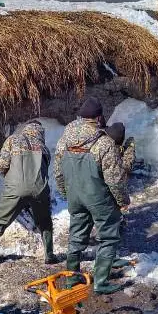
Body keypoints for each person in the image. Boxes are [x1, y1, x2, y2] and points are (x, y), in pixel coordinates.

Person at [55, 97, 130, 294]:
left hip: (75, 196)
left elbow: (58, 171)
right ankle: (101, 282)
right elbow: (114, 179)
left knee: (76, 236)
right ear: (98, 117)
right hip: (98, 199)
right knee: (109, 237)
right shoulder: (104, 143)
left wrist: (66, 193)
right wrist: (122, 201)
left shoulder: (64, 140)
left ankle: (72, 278)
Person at [0, 119, 56, 267]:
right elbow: (44, 171)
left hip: (15, 188)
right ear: (40, 133)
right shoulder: (44, 148)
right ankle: (49, 255)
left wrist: (11, 178)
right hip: (40, 189)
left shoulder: (13, 140)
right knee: (45, 222)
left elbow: (2, 165)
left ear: (26, 129)